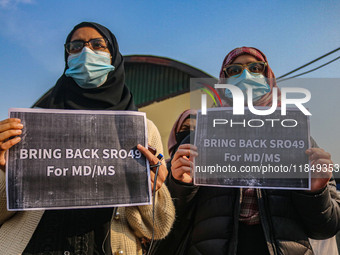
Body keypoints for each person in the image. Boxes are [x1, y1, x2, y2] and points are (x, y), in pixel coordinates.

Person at [0, 22, 175, 255]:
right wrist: (4, 173)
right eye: (75, 46)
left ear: (113, 56)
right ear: (66, 55)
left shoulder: (142, 130)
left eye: (97, 45)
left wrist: (153, 190)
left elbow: (157, 228)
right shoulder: (29, 128)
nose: (85, 52)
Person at [167, 47, 340, 254]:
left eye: (255, 68)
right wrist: (179, 185)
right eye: (234, 70)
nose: (246, 75)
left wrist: (315, 192)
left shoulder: (298, 137)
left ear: (267, 76)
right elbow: (169, 223)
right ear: (223, 81)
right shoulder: (200, 137)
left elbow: (326, 228)